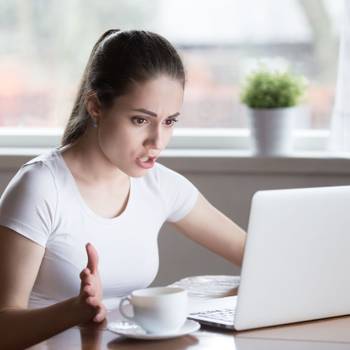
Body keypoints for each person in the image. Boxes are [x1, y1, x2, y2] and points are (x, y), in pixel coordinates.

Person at [0, 29, 246, 349]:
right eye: (140, 121)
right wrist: (74, 311)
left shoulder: (160, 184)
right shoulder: (41, 187)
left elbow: (256, 256)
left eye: (170, 122)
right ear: (96, 106)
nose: (157, 142)